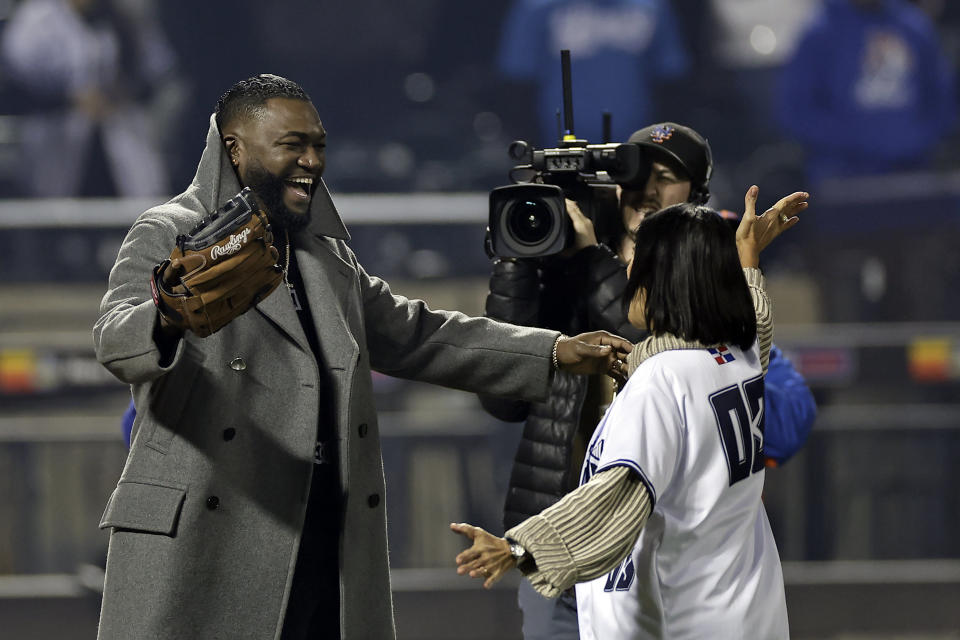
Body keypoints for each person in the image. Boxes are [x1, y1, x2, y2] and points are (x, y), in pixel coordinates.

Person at [92, 73, 633, 640]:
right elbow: (112, 339)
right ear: (235, 148)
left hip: (319, 527)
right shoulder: (169, 231)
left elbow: (416, 333)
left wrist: (552, 350)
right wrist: (168, 315)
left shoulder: (324, 255)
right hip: (209, 539)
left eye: (318, 145)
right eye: (292, 145)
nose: (311, 160)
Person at [480, 122, 815, 639]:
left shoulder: (660, 380)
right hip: (740, 609)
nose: (631, 274)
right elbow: (756, 326)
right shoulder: (734, 357)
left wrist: (522, 549)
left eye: (640, 270)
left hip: (664, 602)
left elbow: (621, 491)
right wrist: (746, 260)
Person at [1, 0, 179, 197]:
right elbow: (16, 89)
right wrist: (69, 99)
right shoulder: (36, 17)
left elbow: (155, 73)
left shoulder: (122, 16)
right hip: (54, 145)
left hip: (117, 138)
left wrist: (122, 94)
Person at [777, 0, 956, 185]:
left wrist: (913, 139)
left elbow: (942, 103)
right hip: (841, 177)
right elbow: (796, 113)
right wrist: (864, 140)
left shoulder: (915, 27)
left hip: (914, 172)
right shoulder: (819, 32)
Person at [497, 0, 689, 145]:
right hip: (557, 141)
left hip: (637, 140)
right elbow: (518, 82)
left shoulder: (651, 8)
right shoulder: (538, 8)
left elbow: (671, 80)